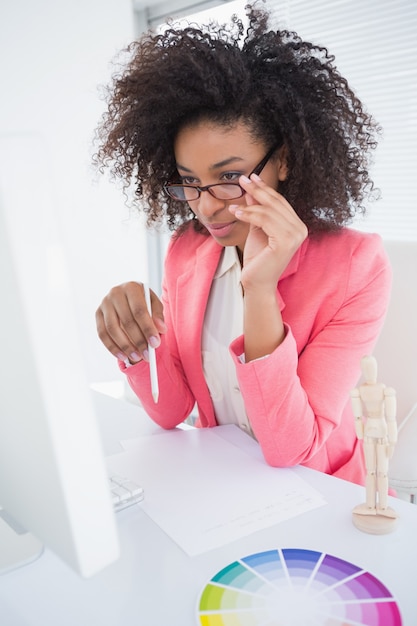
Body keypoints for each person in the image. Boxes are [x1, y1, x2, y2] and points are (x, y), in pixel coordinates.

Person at [94, 4, 392, 486]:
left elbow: (290, 449)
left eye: (229, 177)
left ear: (285, 160)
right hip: (223, 487)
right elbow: (172, 412)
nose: (205, 208)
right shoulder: (188, 252)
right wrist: (134, 342)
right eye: (189, 181)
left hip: (321, 492)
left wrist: (259, 289)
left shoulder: (356, 266)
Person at [350, 356, 397, 529]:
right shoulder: (361, 391)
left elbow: (391, 418)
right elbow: (356, 417)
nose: (370, 372)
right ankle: (372, 505)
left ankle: (381, 506)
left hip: (377, 430)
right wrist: (360, 435)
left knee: (380, 472)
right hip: (373, 430)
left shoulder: (382, 390)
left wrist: (392, 440)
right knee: (372, 471)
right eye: (367, 368)